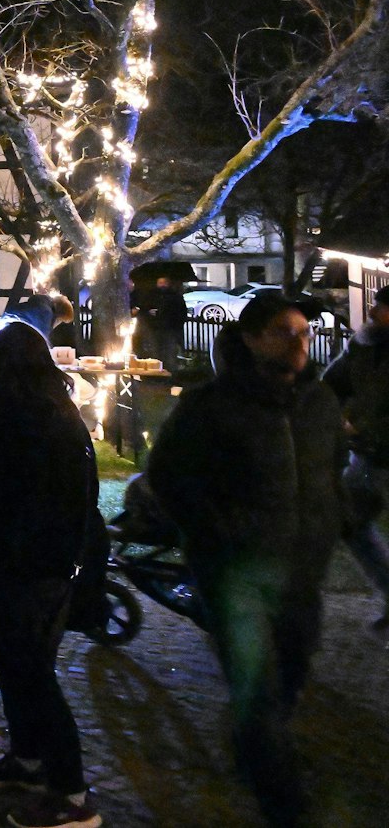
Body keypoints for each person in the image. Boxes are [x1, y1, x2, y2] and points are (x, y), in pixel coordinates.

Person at [147, 293, 344, 827]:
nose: (300, 342)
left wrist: (340, 514)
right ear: (253, 339)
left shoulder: (320, 403)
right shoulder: (211, 406)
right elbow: (166, 474)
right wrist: (215, 532)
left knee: (292, 676)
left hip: (303, 572)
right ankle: (285, 807)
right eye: (285, 331)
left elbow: (331, 471)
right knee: (257, 692)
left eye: (304, 332)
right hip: (237, 576)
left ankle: (253, 747)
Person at [0, 323, 102, 828]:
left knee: (32, 677)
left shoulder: (12, 423)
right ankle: (28, 759)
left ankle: (71, 794)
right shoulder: (62, 416)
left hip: (20, 572)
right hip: (51, 569)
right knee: (20, 671)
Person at [326, 284, 389, 630]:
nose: (374, 312)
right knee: (352, 523)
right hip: (370, 456)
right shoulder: (363, 347)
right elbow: (332, 383)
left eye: (383, 307)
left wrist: (364, 428)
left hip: (372, 446)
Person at [135, 276, 188, 366]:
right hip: (154, 329)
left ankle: (169, 373)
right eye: (160, 283)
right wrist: (149, 313)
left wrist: (175, 325)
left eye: (165, 282)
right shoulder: (151, 296)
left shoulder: (175, 296)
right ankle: (157, 374)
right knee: (155, 353)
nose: (162, 285)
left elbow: (181, 312)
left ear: (168, 284)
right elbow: (144, 309)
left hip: (169, 329)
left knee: (169, 353)